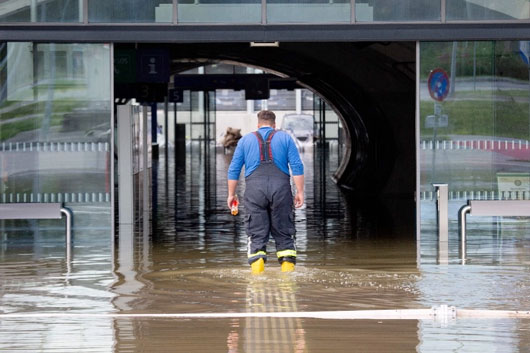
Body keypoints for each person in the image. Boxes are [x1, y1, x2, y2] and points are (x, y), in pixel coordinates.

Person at [227, 110, 305, 274]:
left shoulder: (245, 140)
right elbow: (297, 167)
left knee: (256, 235)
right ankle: (287, 279)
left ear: (258, 124)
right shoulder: (285, 138)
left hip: (255, 191)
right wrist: (300, 191)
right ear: (274, 125)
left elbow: (233, 170)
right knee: (284, 234)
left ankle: (257, 280)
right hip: (281, 189)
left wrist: (231, 194)